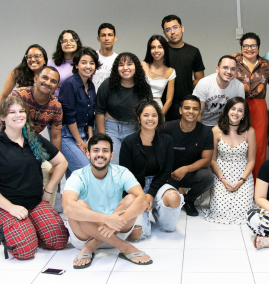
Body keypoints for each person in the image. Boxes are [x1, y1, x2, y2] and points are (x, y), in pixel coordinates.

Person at [0, 96, 69, 260]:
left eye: (21, 111)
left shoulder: (34, 139)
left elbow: (61, 162)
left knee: (58, 240)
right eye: (12, 112)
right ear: (3, 117)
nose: (18, 115)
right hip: (3, 207)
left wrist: (48, 190)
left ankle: (28, 226)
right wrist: (11, 208)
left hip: (34, 203)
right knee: (25, 251)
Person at [63, 133, 152, 268]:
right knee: (78, 205)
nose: (100, 154)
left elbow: (143, 200)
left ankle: (93, 245)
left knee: (132, 199)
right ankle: (124, 247)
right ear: (88, 154)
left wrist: (115, 221)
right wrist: (106, 219)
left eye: (105, 151)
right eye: (96, 150)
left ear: (111, 155)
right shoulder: (78, 176)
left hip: (116, 231)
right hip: (84, 236)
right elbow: (68, 208)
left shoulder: (121, 172)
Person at [0, 66, 63, 208]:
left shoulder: (56, 106)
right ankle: (7, 210)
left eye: (53, 81)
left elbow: (56, 135)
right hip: (8, 140)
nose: (48, 82)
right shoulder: (19, 95)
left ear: (56, 86)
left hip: (31, 143)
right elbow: (6, 124)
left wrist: (53, 162)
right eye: (44, 77)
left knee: (51, 172)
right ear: (36, 78)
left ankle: (45, 211)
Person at [119, 99, 183, 240]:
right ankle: (146, 222)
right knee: (137, 236)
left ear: (159, 118)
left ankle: (159, 218)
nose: (150, 119)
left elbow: (166, 171)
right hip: (135, 187)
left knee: (173, 200)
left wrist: (151, 193)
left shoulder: (166, 140)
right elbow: (125, 175)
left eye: (154, 115)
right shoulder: (128, 142)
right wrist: (142, 195)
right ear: (139, 118)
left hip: (158, 183)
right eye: (146, 115)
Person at [204, 97, 255, 224]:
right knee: (219, 210)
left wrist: (242, 180)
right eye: (233, 109)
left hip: (243, 175)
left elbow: (251, 160)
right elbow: (212, 160)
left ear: (244, 115)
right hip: (221, 174)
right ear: (227, 110)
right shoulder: (216, 131)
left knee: (244, 212)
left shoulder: (250, 132)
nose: (235, 113)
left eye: (240, 110)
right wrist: (222, 179)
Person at [95, 53, 153, 164]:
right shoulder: (107, 84)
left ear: (136, 66)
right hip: (110, 128)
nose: (125, 68)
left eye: (129, 64)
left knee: (132, 164)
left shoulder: (144, 87)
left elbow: (148, 112)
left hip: (133, 129)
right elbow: (99, 112)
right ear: (117, 68)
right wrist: (103, 137)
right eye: (121, 65)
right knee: (113, 164)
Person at [163, 95, 214, 217]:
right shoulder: (166, 128)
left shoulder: (206, 132)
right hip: (168, 174)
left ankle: (188, 200)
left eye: (195, 109)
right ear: (180, 110)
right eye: (187, 108)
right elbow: (159, 155)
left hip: (190, 173)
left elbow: (206, 161)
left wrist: (185, 169)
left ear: (199, 111)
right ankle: (172, 194)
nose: (191, 112)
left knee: (208, 177)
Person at [234, 32, 269, 181]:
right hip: (238, 106)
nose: (249, 49)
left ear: (258, 47)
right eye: (246, 46)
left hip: (259, 106)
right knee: (238, 145)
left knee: (259, 146)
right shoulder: (233, 61)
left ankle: (258, 185)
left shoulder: (266, 65)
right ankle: (239, 183)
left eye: (253, 45)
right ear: (241, 47)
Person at [58, 47, 100, 176]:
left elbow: (90, 116)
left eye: (92, 63)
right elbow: (69, 116)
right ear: (76, 65)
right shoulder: (69, 84)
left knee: (76, 177)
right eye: (84, 62)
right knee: (86, 169)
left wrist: (90, 138)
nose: (88, 66)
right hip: (67, 135)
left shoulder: (91, 86)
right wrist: (80, 142)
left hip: (84, 135)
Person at [0, 44, 48, 133]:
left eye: (37, 56)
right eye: (29, 57)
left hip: (32, 123)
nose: (32, 59)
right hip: (13, 120)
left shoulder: (48, 77)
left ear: (44, 60)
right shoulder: (17, 73)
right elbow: (4, 95)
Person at [161, 15, 205, 121]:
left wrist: (187, 87)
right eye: (168, 29)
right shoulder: (160, 51)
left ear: (182, 28)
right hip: (164, 104)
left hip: (186, 103)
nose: (172, 32)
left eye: (175, 27)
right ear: (164, 33)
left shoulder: (193, 51)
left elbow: (200, 80)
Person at [193, 55, 245, 127]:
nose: (229, 72)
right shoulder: (204, 83)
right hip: (204, 124)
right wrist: (201, 133)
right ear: (217, 69)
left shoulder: (239, 86)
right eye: (225, 68)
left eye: (232, 69)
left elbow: (238, 113)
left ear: (236, 71)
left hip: (225, 125)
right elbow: (197, 113)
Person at [141, 35, 176, 116]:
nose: (156, 50)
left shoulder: (170, 71)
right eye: (153, 47)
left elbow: (169, 100)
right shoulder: (142, 65)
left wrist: (159, 116)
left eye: (160, 47)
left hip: (158, 108)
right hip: (141, 106)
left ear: (165, 49)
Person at [48, 29, 84, 97]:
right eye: (65, 41)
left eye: (72, 40)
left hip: (78, 102)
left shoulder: (83, 63)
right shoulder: (51, 63)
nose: (69, 43)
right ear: (60, 44)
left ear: (77, 43)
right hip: (56, 103)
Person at [92, 23, 118, 91]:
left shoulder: (118, 59)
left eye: (110, 35)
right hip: (93, 99)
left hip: (111, 99)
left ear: (115, 38)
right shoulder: (92, 56)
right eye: (103, 35)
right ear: (98, 39)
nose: (106, 38)